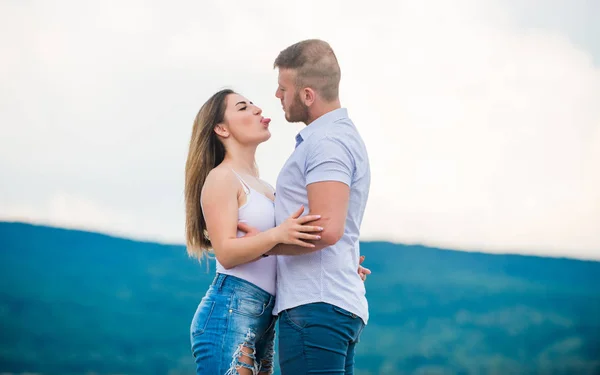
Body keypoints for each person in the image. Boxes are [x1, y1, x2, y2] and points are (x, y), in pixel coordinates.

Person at [184, 88, 371, 375]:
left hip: (264, 320)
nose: (258, 109)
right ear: (221, 128)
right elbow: (226, 252)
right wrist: (277, 235)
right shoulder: (221, 178)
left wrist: (340, 264)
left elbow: (278, 253)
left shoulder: (266, 188)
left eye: (253, 104)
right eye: (243, 107)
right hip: (230, 313)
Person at [239, 39, 371, 375]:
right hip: (327, 304)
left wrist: (262, 245)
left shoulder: (327, 143)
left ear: (308, 95)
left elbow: (327, 229)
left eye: (283, 88)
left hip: (315, 306)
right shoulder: (335, 138)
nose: (277, 96)